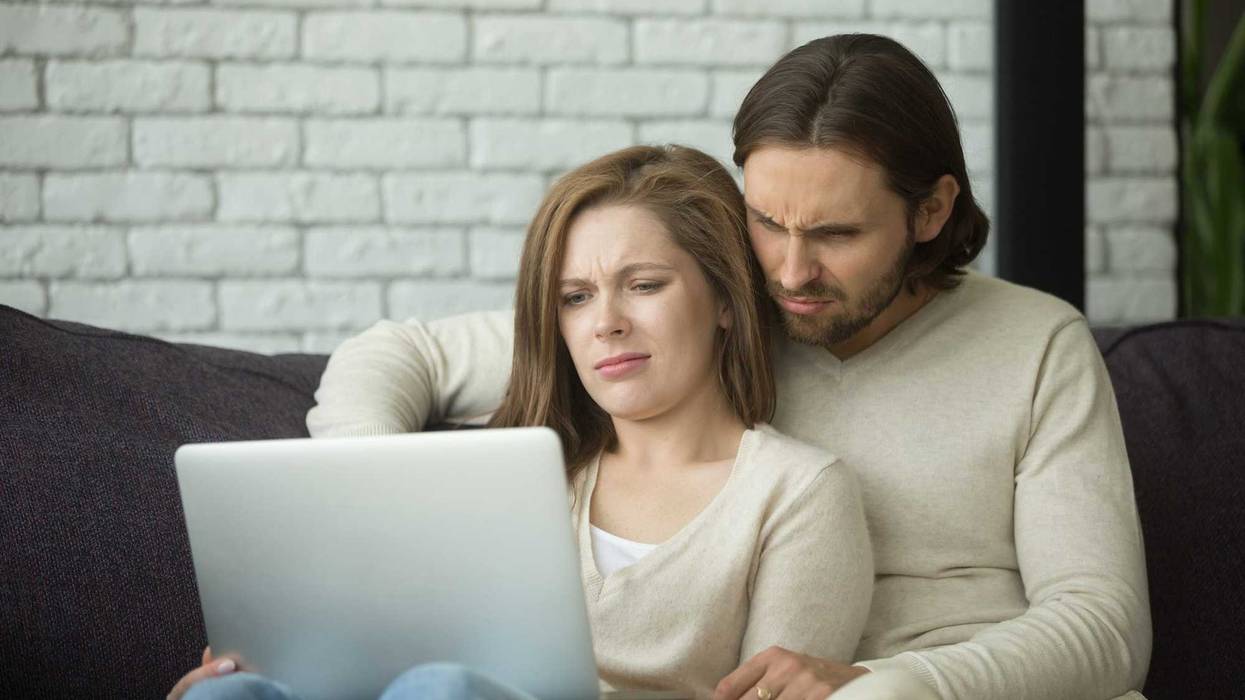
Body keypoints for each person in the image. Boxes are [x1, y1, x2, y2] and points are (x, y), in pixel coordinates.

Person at [303, 34, 1152, 700]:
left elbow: (1103, 624)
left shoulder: (1036, 344)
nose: (788, 272)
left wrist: (893, 686)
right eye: (766, 223)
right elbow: (398, 353)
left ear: (930, 210)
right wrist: (373, 494)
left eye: (835, 235)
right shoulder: (710, 306)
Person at [169, 145, 874, 700]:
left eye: (644, 285)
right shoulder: (522, 474)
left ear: (725, 299)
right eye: (574, 297)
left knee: (440, 688)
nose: (606, 324)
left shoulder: (798, 492)